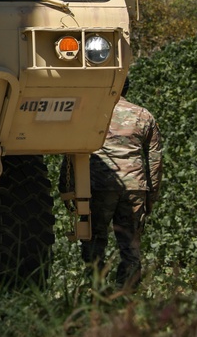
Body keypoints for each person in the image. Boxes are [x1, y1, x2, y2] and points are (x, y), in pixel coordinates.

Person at [62, 81, 163, 290]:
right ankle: (127, 294)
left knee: (94, 240)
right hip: (135, 186)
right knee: (130, 244)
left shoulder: (89, 114)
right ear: (127, 88)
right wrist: (151, 195)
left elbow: (71, 152)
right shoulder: (143, 115)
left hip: (98, 186)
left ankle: (95, 291)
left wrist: (67, 187)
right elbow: (155, 161)